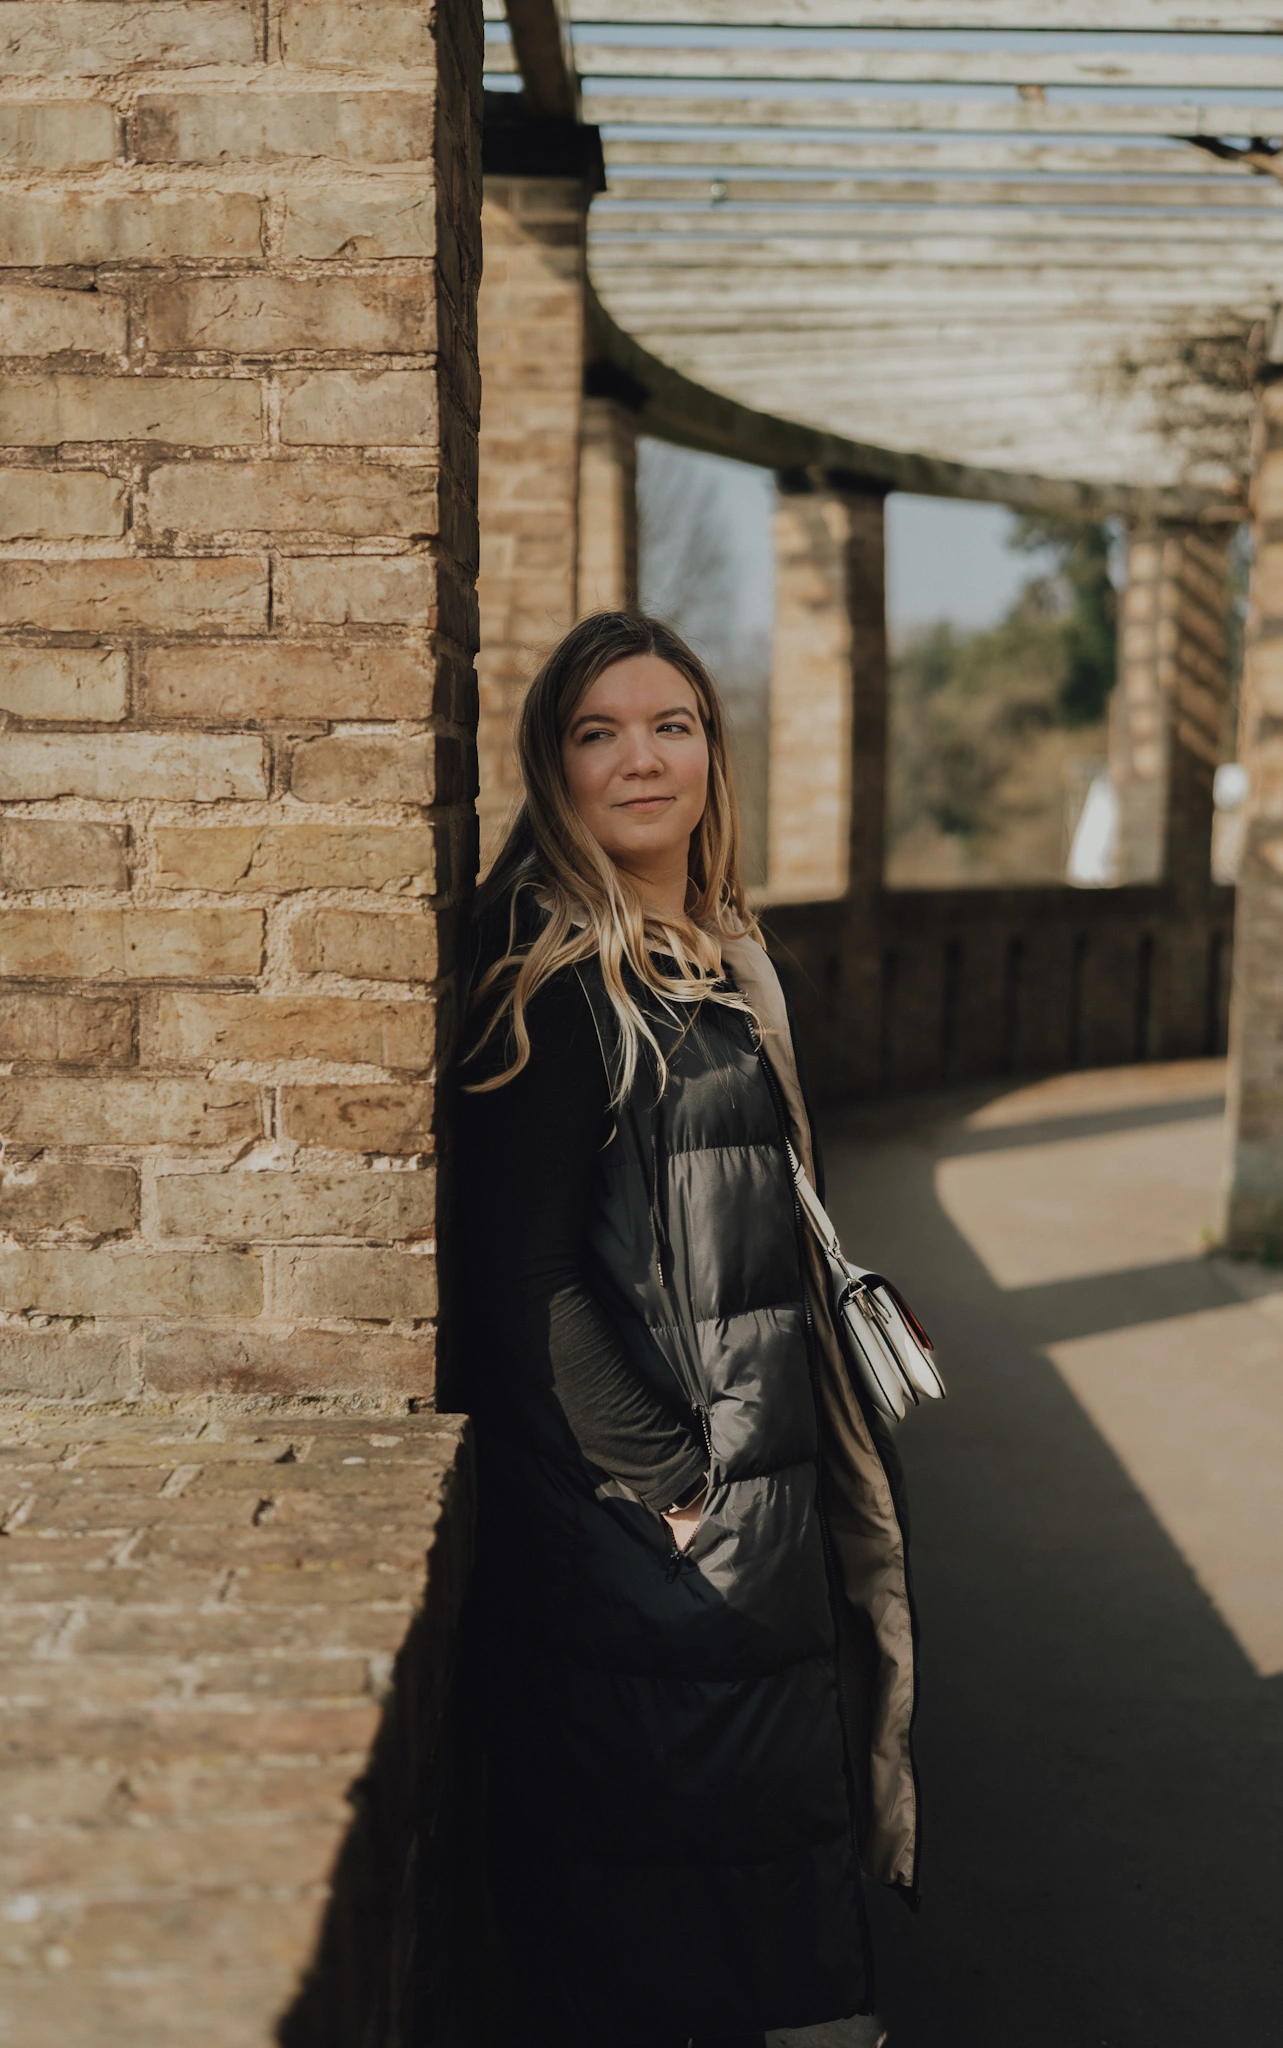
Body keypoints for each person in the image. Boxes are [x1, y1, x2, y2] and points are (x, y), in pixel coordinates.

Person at [455, 611, 918, 2048]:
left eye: (672, 725)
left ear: (713, 750)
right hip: (663, 1557)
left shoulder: (709, 953)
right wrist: (681, 1493)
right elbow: (518, 1276)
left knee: (764, 1889)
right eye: (598, 733)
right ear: (553, 768)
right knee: (691, 1942)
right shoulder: (552, 969)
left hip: (754, 1529)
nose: (640, 758)